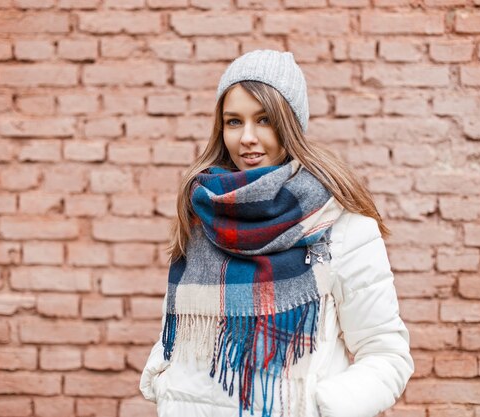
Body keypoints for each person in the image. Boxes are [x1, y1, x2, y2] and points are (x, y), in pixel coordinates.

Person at [139, 49, 414, 417]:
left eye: (264, 119)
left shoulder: (340, 225)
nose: (247, 137)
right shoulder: (202, 213)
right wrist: (163, 376)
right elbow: (176, 331)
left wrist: (324, 407)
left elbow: (385, 353)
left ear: (290, 125)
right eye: (234, 122)